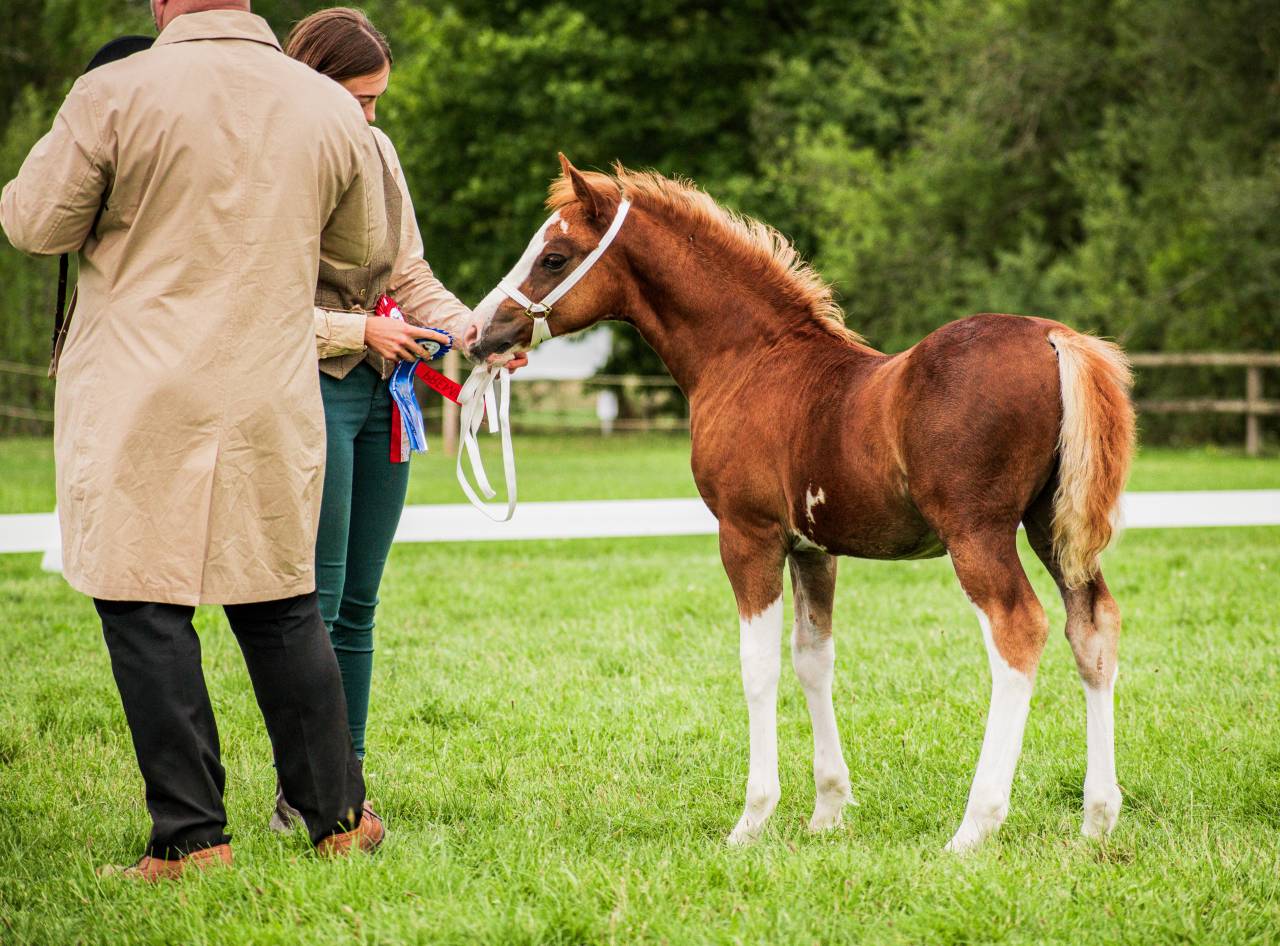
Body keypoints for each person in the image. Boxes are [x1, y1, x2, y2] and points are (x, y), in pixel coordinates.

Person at [1, 0, 389, 879]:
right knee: (280, 602)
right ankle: (337, 820)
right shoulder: (330, 107)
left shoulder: (113, 92)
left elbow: (34, 224)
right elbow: (363, 250)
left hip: (141, 391)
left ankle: (191, 839)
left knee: (143, 605)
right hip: (269, 387)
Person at [273, 8, 525, 827]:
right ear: (313, 86)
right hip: (312, 386)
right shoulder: (272, 161)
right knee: (316, 601)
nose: (371, 115)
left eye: (378, 100)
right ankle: (304, 791)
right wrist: (361, 330)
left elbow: (408, 272)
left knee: (360, 604)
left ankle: (347, 781)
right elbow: (259, 299)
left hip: (385, 393)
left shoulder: (378, 152)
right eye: (359, 99)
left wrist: (471, 331)